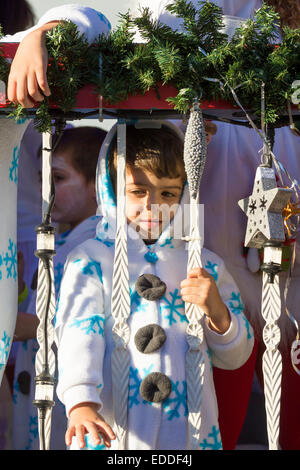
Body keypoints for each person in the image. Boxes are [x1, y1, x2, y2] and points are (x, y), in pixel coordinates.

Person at [53, 121, 254, 450]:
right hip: (115, 434)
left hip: (188, 438)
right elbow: (78, 332)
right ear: (111, 188)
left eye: (168, 193)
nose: (151, 205)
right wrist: (81, 401)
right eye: (137, 191)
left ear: (184, 194)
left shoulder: (205, 264)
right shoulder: (91, 259)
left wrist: (218, 312)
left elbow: (236, 357)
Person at [12, 126, 107, 450]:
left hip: (65, 395)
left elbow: (81, 324)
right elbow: (43, 307)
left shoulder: (95, 245)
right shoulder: (61, 239)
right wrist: (21, 294)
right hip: (37, 382)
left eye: (59, 178)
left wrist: (18, 324)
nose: (45, 189)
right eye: (41, 177)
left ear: (98, 185)